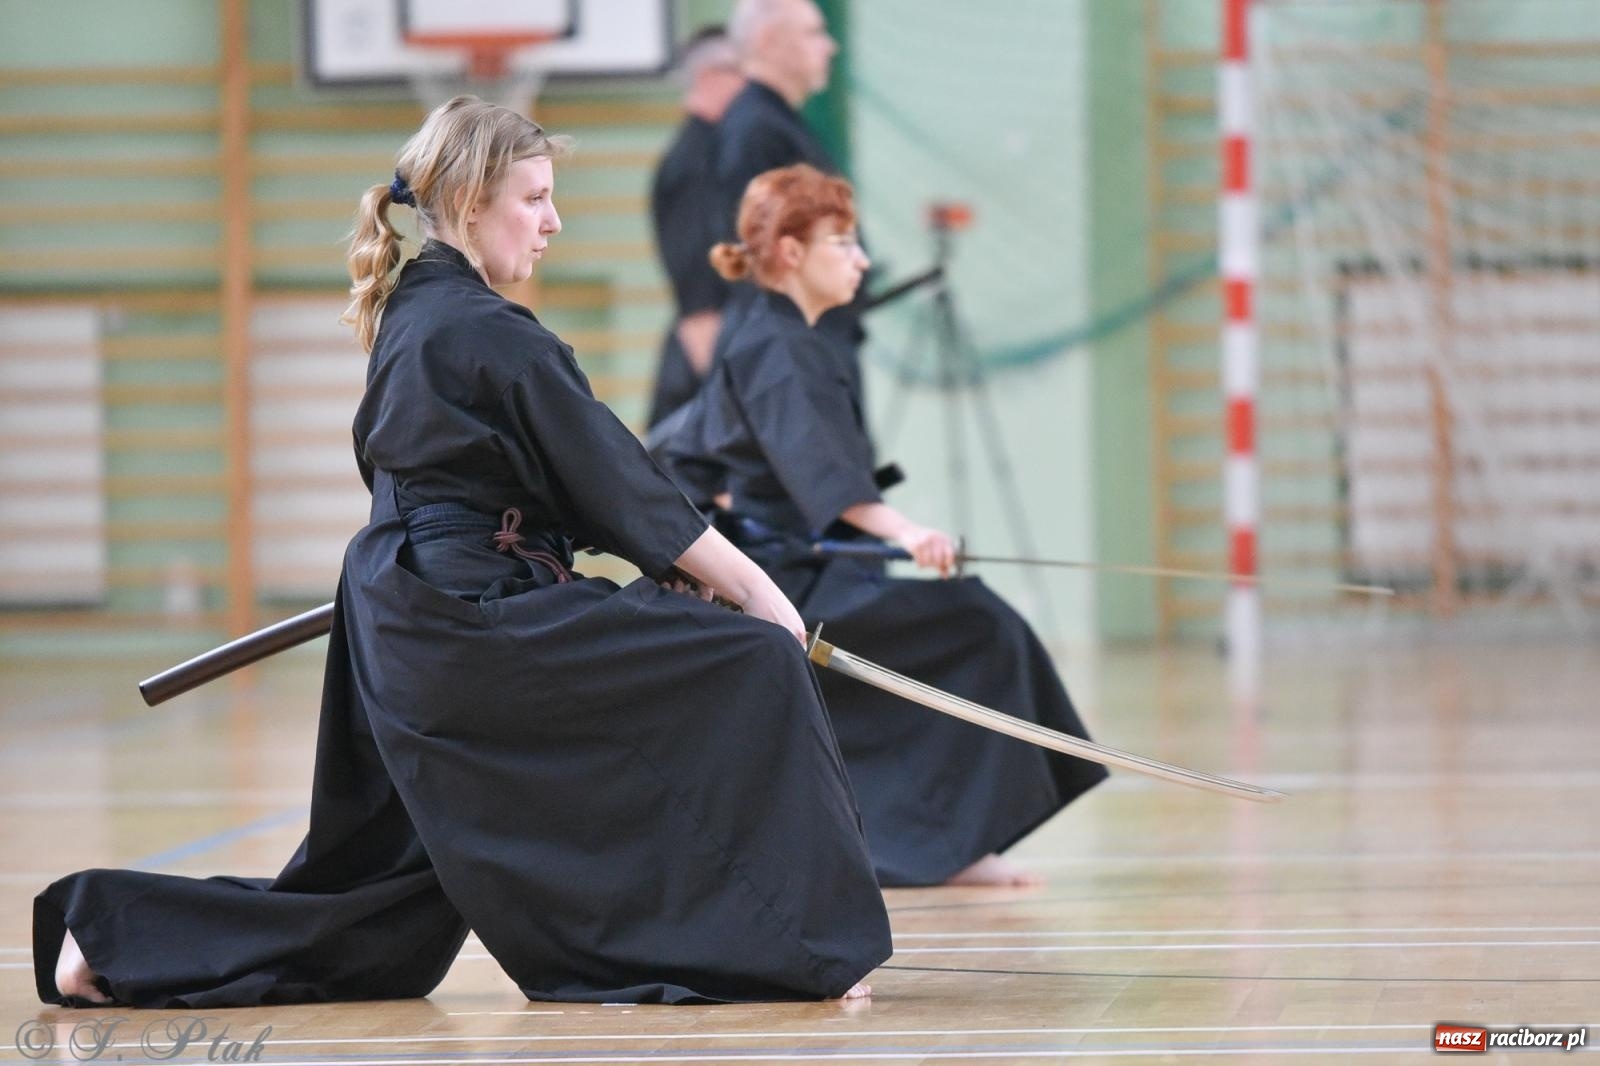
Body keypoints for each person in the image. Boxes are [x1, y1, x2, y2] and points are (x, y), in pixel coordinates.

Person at [38, 98, 890, 1009]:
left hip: (417, 615)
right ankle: (778, 939)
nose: (553, 220)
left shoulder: (425, 312)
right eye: (536, 197)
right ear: (476, 196)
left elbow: (551, 490)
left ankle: (109, 938)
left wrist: (680, 570)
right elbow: (619, 483)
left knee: (381, 913)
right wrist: (761, 595)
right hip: (472, 619)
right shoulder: (481, 329)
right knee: (751, 663)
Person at [654, 165, 1108, 888]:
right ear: (793, 254)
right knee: (979, 626)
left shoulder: (786, 336)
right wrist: (905, 533)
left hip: (799, 564)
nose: (861, 259)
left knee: (959, 631)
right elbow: (820, 472)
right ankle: (948, 842)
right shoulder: (774, 343)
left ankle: (951, 842)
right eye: (843, 242)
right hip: (775, 585)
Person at [714, 0, 868, 401]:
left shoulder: (779, 123)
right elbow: (769, 252)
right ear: (768, 41)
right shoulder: (756, 130)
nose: (829, 46)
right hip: (794, 356)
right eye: (813, 33)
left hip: (813, 343)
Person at [646, 26, 746, 429]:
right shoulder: (694, 165)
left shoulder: (717, 154)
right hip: (702, 383)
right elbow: (699, 307)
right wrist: (736, 413)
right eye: (743, 71)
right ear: (708, 77)